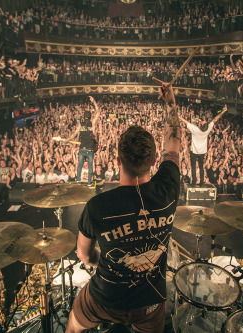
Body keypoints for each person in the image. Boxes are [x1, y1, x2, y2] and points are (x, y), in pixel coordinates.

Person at [66, 77, 181, 333]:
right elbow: (174, 143)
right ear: (154, 160)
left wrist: (99, 261)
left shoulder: (97, 207)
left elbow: (84, 255)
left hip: (104, 298)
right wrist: (170, 104)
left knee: (73, 326)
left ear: (117, 159)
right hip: (150, 303)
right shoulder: (169, 188)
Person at [178, 105, 227, 185]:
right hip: (202, 152)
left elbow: (186, 122)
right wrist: (223, 111)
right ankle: (201, 182)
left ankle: (193, 182)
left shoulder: (195, 129)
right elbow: (215, 119)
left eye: (202, 122)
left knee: (193, 167)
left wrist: (178, 116)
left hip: (194, 151)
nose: (202, 121)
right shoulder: (207, 129)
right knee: (201, 167)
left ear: (200, 126)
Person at [68, 96, 101, 184]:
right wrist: (93, 101)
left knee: (80, 165)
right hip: (90, 149)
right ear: (90, 117)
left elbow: (73, 134)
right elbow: (98, 112)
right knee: (90, 166)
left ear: (84, 117)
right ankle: (89, 182)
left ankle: (78, 180)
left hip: (82, 148)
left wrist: (67, 140)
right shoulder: (92, 123)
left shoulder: (80, 125)